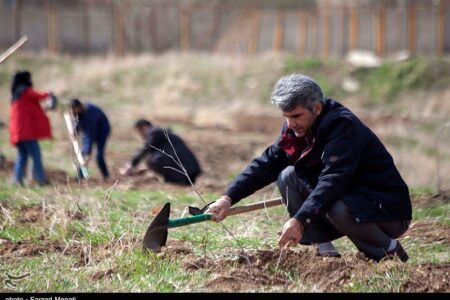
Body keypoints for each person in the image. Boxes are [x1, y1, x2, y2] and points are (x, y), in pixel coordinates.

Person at [206, 74, 412, 262]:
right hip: (348, 202)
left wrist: (299, 221)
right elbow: (267, 164)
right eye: (285, 116)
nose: (290, 123)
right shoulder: (296, 129)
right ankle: (324, 252)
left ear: (317, 108)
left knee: (336, 205)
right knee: (287, 176)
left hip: (385, 210)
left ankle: (388, 252)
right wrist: (228, 197)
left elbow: (332, 181)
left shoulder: (342, 126)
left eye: (296, 116)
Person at [9, 70, 57, 186]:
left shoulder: (16, 95)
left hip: (17, 132)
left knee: (22, 156)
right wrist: (49, 93)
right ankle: (40, 179)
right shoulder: (24, 91)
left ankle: (16, 180)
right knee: (36, 155)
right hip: (25, 132)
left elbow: (31, 108)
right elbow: (38, 96)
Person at [119, 119, 201, 186]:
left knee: (153, 160)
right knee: (153, 159)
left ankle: (171, 181)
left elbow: (145, 149)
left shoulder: (154, 132)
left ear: (143, 127)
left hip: (185, 171)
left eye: (139, 131)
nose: (140, 135)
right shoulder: (164, 134)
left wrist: (130, 165)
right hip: (191, 170)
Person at [70, 99, 111, 181]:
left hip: (102, 131)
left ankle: (106, 176)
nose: (74, 112)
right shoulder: (79, 112)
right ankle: (80, 175)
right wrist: (74, 131)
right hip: (90, 131)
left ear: (79, 107)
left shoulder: (91, 114)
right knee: (82, 154)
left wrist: (88, 153)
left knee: (99, 156)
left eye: (75, 110)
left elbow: (90, 136)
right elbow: (77, 121)